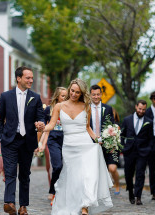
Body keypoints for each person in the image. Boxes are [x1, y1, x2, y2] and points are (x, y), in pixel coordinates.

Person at [46, 79, 113, 215]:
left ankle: (85, 206)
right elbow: (51, 125)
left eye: (78, 92)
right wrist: (42, 127)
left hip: (85, 145)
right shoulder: (59, 106)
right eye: (72, 91)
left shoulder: (86, 106)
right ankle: (75, 204)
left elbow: (88, 128)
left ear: (81, 93)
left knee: (87, 176)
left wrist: (97, 139)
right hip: (69, 147)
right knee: (73, 177)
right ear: (69, 89)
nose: (74, 94)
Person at [0, 66, 45, 215]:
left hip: (27, 141)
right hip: (10, 140)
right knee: (10, 173)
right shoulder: (5, 96)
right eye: (28, 78)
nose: (31, 80)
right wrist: (0, 136)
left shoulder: (35, 97)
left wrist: (40, 123)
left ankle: (23, 206)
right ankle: (9, 203)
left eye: (31, 78)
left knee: (24, 174)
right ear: (18, 78)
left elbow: (40, 116)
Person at [36, 87, 67, 205]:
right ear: (57, 96)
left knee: (67, 168)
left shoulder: (69, 109)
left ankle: (63, 192)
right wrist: (41, 144)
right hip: (53, 139)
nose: (65, 98)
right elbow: (44, 125)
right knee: (57, 166)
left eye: (66, 96)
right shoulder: (49, 109)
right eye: (63, 96)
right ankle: (53, 190)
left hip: (67, 139)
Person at [89, 84, 120, 195]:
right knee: (95, 170)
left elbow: (111, 125)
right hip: (91, 144)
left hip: (106, 144)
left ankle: (115, 184)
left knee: (111, 168)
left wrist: (109, 137)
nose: (96, 97)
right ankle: (101, 190)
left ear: (101, 94)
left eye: (98, 94)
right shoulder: (86, 108)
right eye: (94, 95)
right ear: (90, 95)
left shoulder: (107, 108)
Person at [121, 100, 153, 205]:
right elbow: (122, 134)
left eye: (143, 109)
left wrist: (148, 149)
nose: (141, 111)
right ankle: (130, 192)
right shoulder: (127, 120)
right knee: (128, 174)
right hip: (129, 151)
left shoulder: (149, 121)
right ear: (136, 107)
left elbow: (151, 138)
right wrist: (122, 148)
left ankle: (138, 196)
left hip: (142, 152)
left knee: (140, 174)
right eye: (140, 109)